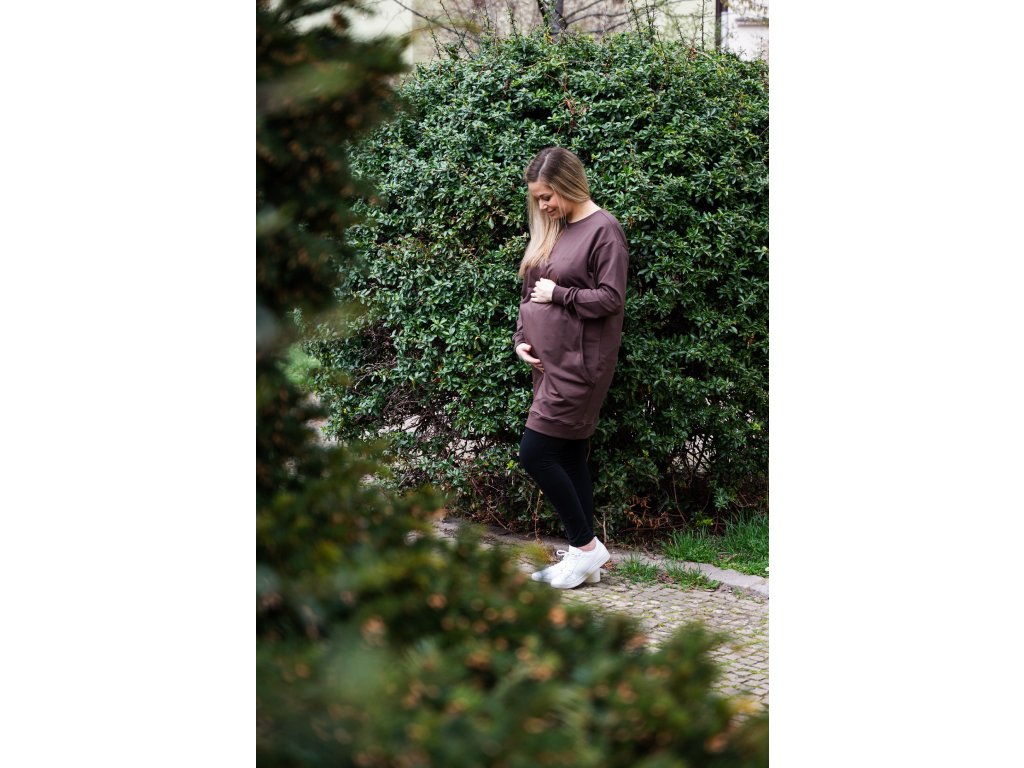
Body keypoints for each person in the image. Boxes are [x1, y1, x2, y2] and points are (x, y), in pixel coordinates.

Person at [512, 146, 629, 589]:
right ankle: (586, 561)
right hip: (549, 365)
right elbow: (529, 292)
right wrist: (521, 340)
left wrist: (559, 295)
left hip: (580, 367)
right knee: (568, 455)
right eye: (537, 199)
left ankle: (585, 547)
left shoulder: (604, 231)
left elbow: (611, 298)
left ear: (567, 184)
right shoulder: (556, 230)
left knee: (535, 453)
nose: (542, 206)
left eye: (547, 196)